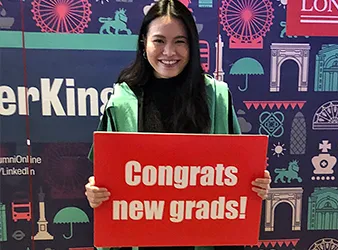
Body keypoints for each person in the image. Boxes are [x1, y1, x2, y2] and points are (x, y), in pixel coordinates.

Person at [84, 0, 272, 249]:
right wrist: (96, 193)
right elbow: (107, 180)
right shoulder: (121, 101)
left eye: (180, 42)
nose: (169, 52)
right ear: (144, 43)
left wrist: (254, 184)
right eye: (159, 41)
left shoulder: (216, 96)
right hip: (143, 237)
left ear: (192, 46)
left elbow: (233, 173)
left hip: (204, 237)